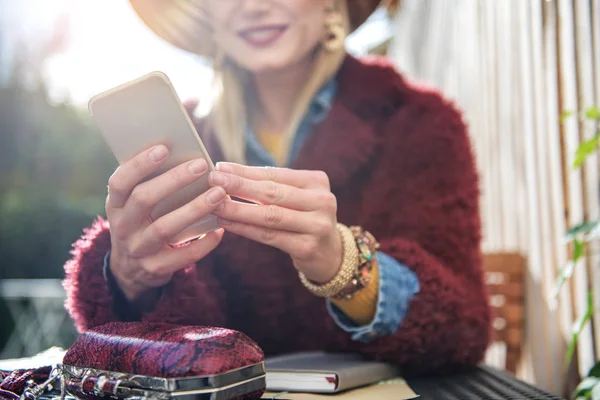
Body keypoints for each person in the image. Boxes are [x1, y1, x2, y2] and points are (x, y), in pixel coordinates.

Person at [64, 0, 491, 375]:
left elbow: (462, 328)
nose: (254, 4)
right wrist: (127, 279)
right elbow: (160, 346)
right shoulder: (173, 142)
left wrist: (346, 265)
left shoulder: (420, 123)